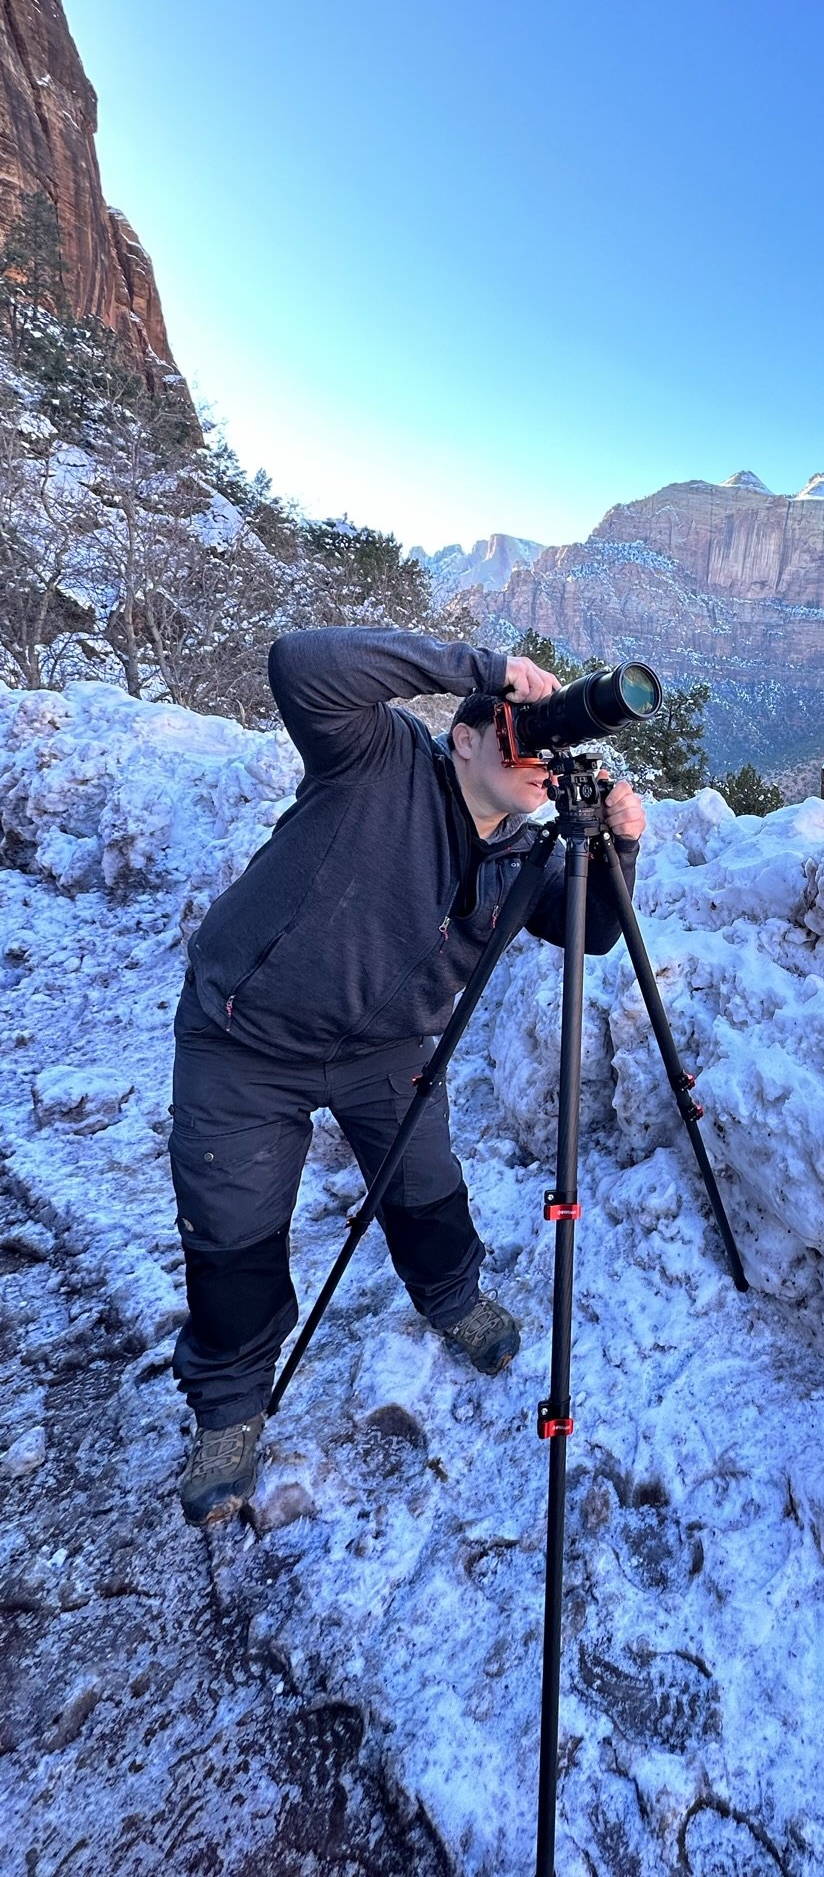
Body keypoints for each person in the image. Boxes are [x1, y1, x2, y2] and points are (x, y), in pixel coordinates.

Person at [169, 625, 645, 1526]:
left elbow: (595, 931)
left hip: (385, 1055)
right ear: (462, 736)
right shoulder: (375, 760)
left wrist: (617, 846)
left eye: (550, 741)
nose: (539, 751)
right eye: (516, 728)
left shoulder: (522, 854)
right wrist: (488, 673)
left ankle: (453, 1297)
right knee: (232, 1231)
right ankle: (230, 1410)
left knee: (427, 1189)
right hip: (245, 1039)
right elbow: (300, 663)